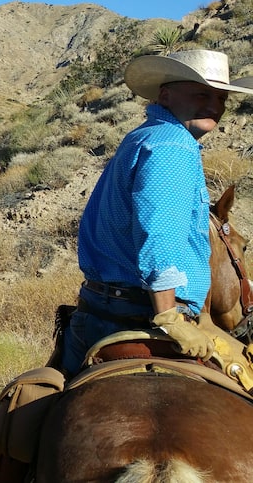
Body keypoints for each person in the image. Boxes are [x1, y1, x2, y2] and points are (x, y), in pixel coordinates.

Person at [62, 49, 253, 375]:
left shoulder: (143, 136)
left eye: (222, 98)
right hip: (142, 313)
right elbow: (159, 232)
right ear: (165, 95)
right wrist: (168, 315)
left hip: (96, 310)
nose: (214, 106)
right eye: (201, 94)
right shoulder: (172, 146)